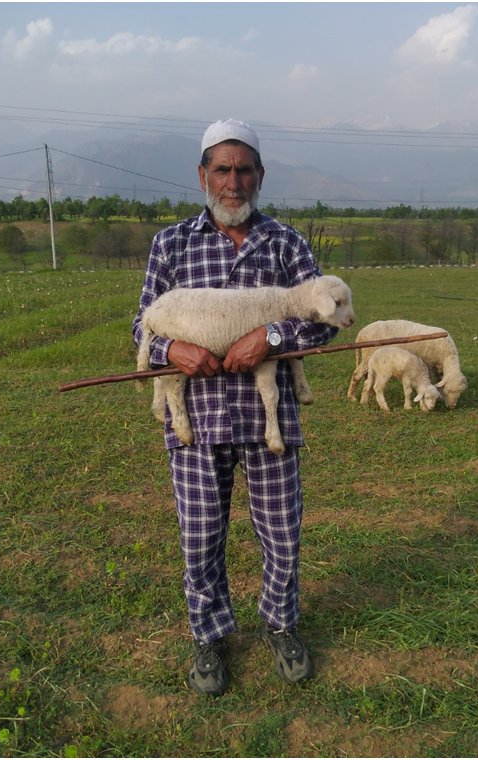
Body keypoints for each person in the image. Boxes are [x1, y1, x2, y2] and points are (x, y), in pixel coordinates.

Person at [132, 119, 339, 696]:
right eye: (221, 170)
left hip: (268, 421)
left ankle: (281, 624)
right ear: (203, 176)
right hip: (196, 421)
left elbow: (320, 321)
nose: (233, 182)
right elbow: (142, 324)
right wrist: (177, 348)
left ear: (260, 176)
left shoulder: (288, 244)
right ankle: (208, 636)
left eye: (243, 170)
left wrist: (270, 339)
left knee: (281, 532)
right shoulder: (171, 244)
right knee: (200, 537)